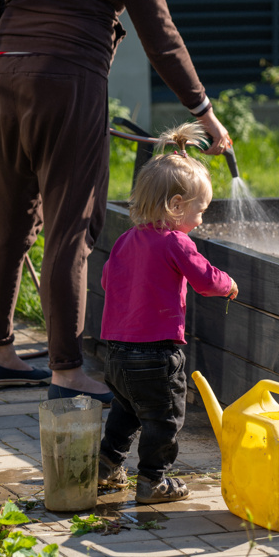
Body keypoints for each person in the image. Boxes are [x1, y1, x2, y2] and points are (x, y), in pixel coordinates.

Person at [0, 0, 233, 404]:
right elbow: (161, 38)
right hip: (70, 84)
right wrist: (203, 112)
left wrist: (18, 50)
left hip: (5, 76)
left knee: (9, 220)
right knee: (72, 228)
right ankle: (67, 372)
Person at [98, 121, 238, 504]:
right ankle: (152, 481)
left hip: (114, 351)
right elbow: (206, 280)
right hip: (157, 353)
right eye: (200, 210)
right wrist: (228, 284)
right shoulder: (176, 242)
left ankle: (106, 465)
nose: (201, 219)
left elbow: (108, 282)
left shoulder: (126, 240)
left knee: (126, 411)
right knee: (165, 418)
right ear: (176, 206)